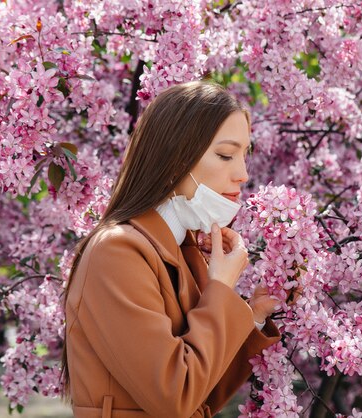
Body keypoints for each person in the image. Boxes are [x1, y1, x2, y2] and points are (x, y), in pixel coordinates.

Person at [61, 80, 284, 418]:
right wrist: (220, 289)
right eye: (225, 155)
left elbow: (201, 392)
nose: (242, 174)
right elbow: (175, 396)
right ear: (177, 158)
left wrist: (251, 316)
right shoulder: (116, 252)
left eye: (244, 155)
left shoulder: (183, 250)